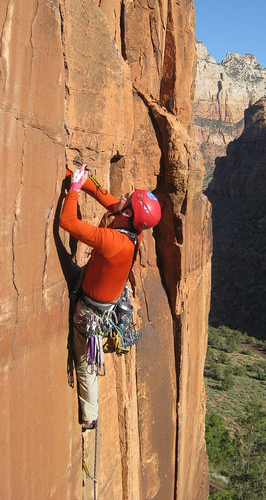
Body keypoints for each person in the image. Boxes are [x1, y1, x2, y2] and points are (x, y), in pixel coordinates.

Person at [60, 164, 161, 429]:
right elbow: (105, 196)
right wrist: (79, 176)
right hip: (105, 297)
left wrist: (73, 191)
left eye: (128, 197)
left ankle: (90, 416)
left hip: (90, 313)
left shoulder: (112, 240)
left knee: (85, 365)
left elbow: (67, 223)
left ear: (128, 213)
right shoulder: (132, 227)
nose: (124, 194)